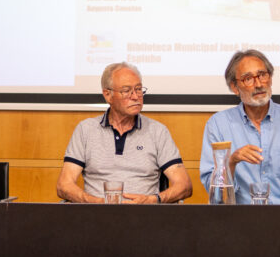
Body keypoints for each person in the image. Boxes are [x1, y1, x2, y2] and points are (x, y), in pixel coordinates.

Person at [56, 62, 192, 203]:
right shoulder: (86, 130)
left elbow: (184, 185)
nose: (135, 96)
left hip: (145, 217)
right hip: (94, 216)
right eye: (126, 91)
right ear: (108, 95)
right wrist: (96, 202)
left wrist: (153, 200)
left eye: (138, 89)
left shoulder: (157, 131)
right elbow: (64, 185)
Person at [200, 50, 280, 204]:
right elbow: (215, 195)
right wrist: (231, 162)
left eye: (262, 75)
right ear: (235, 87)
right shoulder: (218, 124)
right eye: (248, 79)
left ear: (270, 79)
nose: (258, 84)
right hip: (239, 221)